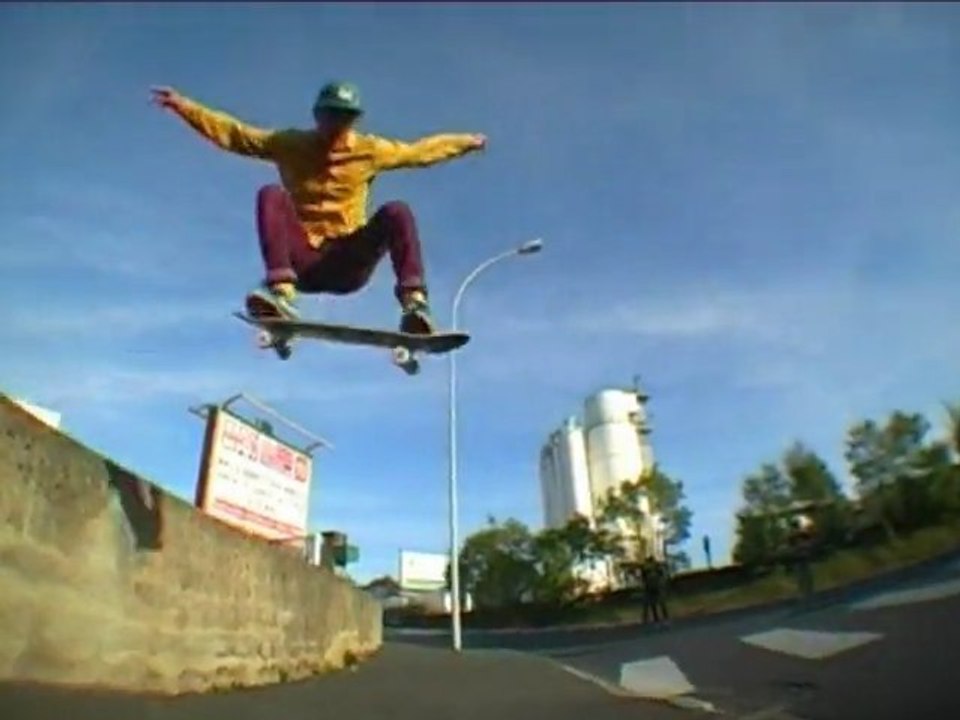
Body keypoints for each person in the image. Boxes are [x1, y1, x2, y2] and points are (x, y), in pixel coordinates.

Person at [150, 81, 486, 334]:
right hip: (302, 265)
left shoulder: (371, 150)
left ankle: (415, 304)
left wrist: (464, 143)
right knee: (271, 194)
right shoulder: (289, 144)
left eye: (344, 120)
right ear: (317, 116)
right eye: (330, 118)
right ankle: (280, 293)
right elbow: (235, 135)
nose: (336, 128)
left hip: (347, 263)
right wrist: (184, 107)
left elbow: (420, 152)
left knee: (397, 211)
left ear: (353, 121)